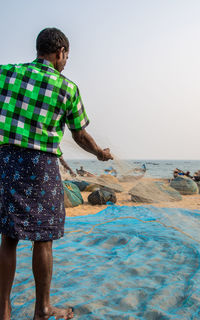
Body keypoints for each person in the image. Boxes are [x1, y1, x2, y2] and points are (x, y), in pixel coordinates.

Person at [0, 28, 113, 320]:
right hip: (42, 166)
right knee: (44, 238)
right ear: (60, 52)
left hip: (8, 160)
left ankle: (3, 310)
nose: (65, 63)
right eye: (66, 57)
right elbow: (79, 134)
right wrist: (99, 152)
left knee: (9, 238)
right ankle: (43, 309)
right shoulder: (67, 88)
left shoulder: (7, 73)